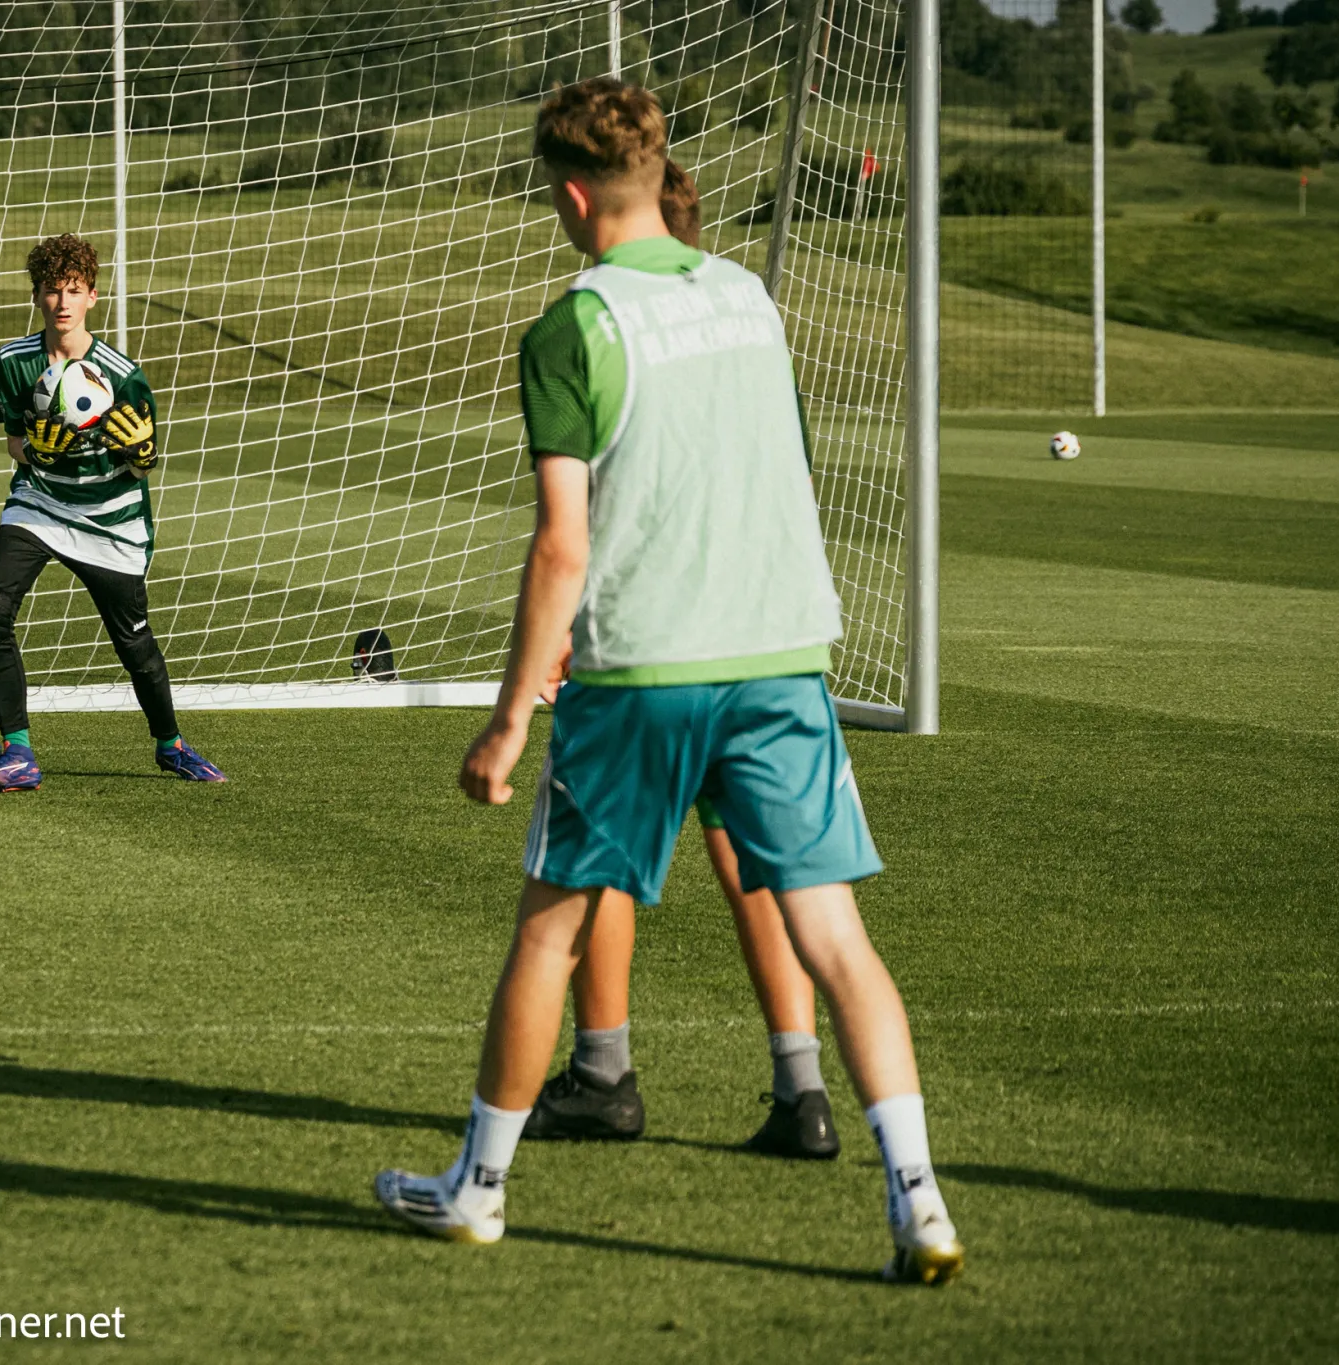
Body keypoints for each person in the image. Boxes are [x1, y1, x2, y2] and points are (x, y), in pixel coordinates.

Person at [371, 80, 961, 1284]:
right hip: (780, 659)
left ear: (572, 195)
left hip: (641, 672)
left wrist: (506, 717)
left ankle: (476, 1189)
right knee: (836, 940)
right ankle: (919, 1204)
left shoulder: (573, 324)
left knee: (547, 935)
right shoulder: (748, 298)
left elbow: (561, 545)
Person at [521, 155, 839, 1162]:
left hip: (649, 644)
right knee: (760, 862)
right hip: (760, 635)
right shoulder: (746, 311)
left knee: (599, 862)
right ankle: (803, 1086)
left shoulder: (603, 322)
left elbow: (579, 520)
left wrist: (551, 638)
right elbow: (788, 467)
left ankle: (601, 1074)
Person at [0, 233, 226, 791]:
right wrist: (37, 453)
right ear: (36, 296)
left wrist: (143, 455)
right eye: (51, 290)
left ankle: (171, 745)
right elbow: (15, 443)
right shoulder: (14, 361)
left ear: (92, 296)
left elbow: (142, 465)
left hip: (111, 518)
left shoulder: (123, 374)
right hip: (40, 503)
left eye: (74, 290)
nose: (62, 302)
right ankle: (17, 752)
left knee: (134, 644)